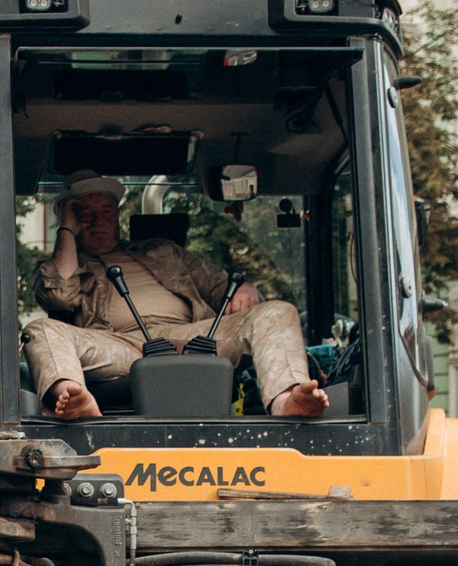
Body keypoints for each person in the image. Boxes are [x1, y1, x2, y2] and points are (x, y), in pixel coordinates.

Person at [24, 172, 329, 421]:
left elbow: (223, 287)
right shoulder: (67, 265)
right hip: (122, 345)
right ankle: (74, 398)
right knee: (39, 330)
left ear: (117, 216)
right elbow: (60, 297)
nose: (98, 220)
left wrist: (248, 289)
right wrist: (66, 227)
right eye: (85, 213)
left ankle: (287, 398)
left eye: (106, 211)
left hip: (200, 339)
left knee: (278, 311)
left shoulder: (164, 251)